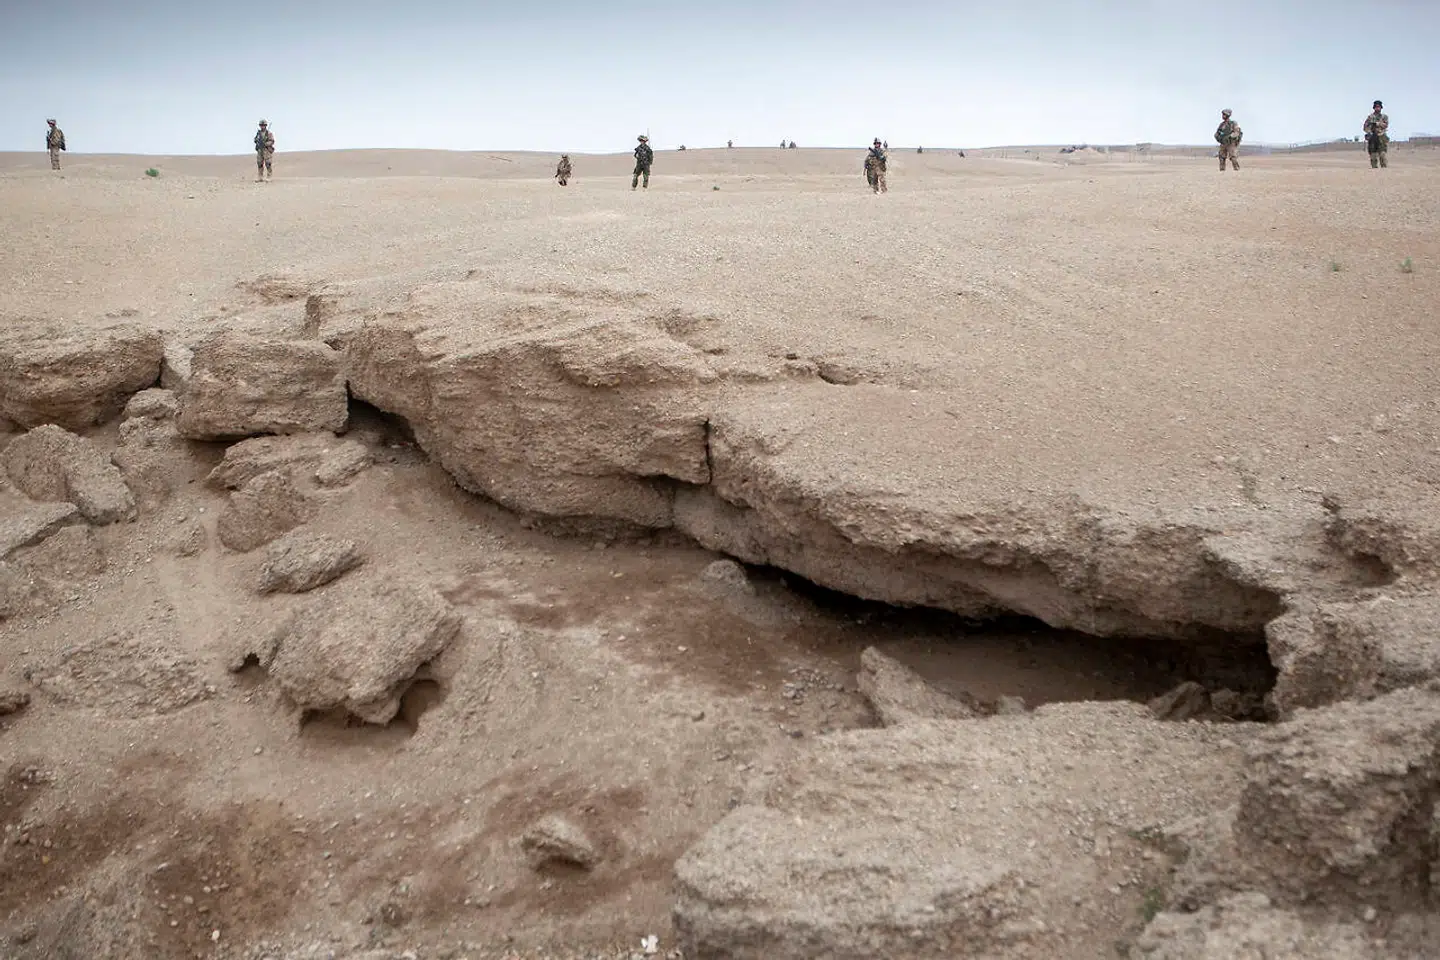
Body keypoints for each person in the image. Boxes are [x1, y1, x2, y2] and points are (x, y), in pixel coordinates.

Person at [1364, 100, 1389, 169]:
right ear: (1374, 108)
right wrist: (1369, 131)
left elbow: (1386, 125)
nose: (1377, 108)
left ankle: (1384, 170)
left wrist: (1378, 124)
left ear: (1381, 108)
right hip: (1373, 138)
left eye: (1379, 107)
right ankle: (1374, 170)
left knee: (1382, 155)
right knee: (1373, 155)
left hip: (1381, 137)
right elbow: (1365, 127)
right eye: (1376, 107)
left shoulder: (1384, 117)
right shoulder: (1370, 117)